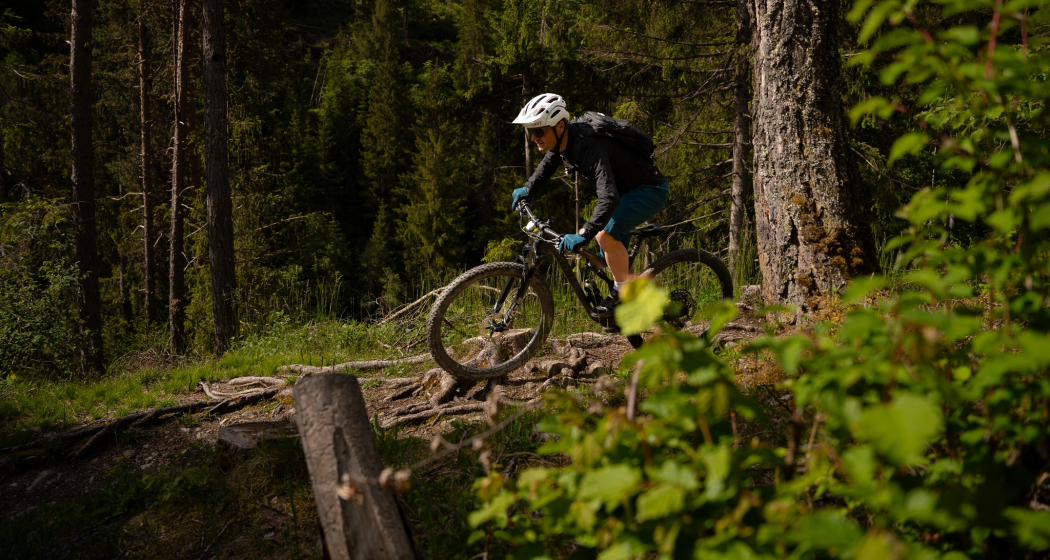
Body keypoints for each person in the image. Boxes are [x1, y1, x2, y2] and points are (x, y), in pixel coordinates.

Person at [510, 93, 669, 317]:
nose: (534, 137)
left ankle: (621, 299)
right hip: (626, 192)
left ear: (560, 126)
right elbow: (550, 161)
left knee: (604, 237)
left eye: (538, 131)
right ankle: (655, 305)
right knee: (613, 261)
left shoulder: (588, 146)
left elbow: (609, 197)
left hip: (649, 190)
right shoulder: (565, 139)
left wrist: (583, 234)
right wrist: (528, 188)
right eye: (530, 132)